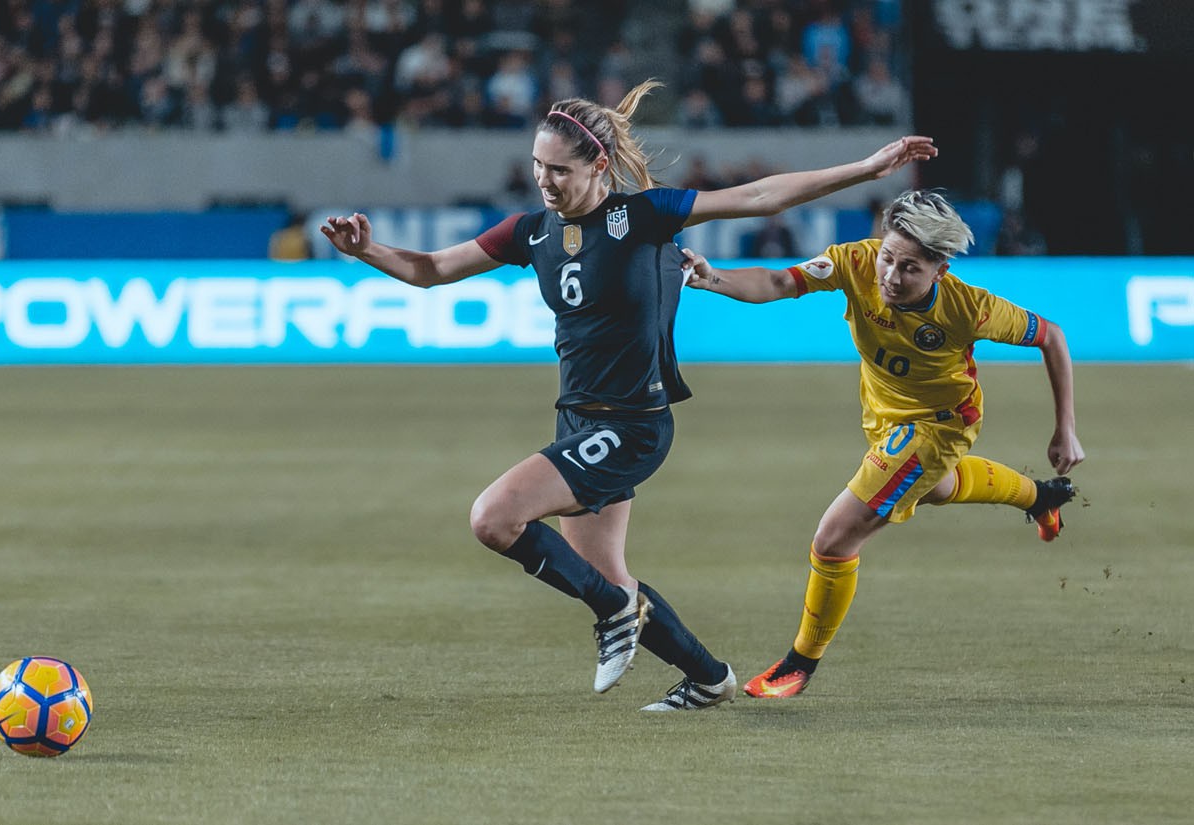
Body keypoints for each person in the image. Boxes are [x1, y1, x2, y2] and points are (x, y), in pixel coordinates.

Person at [320, 80, 936, 711]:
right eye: (537, 166)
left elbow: (758, 196)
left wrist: (866, 168)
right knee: (608, 576)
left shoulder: (642, 216)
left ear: (598, 166)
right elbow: (429, 270)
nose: (544, 180)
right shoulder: (530, 232)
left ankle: (614, 612)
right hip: (578, 421)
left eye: (559, 169)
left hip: (632, 425)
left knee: (494, 518)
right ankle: (708, 676)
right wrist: (366, 250)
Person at [680, 189, 1083, 699]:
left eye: (910, 268)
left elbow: (1052, 337)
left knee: (833, 539)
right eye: (888, 257)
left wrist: (1064, 428)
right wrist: (711, 278)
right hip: (884, 414)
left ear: (939, 268)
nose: (891, 276)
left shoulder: (969, 308)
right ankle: (1041, 497)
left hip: (937, 425)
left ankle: (800, 663)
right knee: (936, 490)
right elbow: (781, 281)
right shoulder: (856, 261)